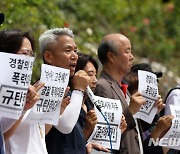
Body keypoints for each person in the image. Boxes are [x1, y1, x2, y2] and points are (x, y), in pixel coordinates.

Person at [38, 28, 90, 154]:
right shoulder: (43, 87)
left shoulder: (66, 88)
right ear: (48, 56)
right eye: (68, 51)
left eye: (75, 51)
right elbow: (66, 126)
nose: (74, 56)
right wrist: (78, 90)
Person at [94, 33, 147, 154]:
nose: (132, 57)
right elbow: (105, 132)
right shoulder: (102, 86)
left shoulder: (122, 87)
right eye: (127, 51)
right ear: (111, 56)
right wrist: (131, 110)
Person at [0, 29, 45, 154]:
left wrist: (23, 108)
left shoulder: (28, 92)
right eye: (25, 53)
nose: (29, 59)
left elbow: (3, 133)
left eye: (31, 54)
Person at [124, 63, 173, 154]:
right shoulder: (125, 114)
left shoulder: (153, 118)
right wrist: (158, 130)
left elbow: (156, 149)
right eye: (148, 89)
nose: (154, 95)